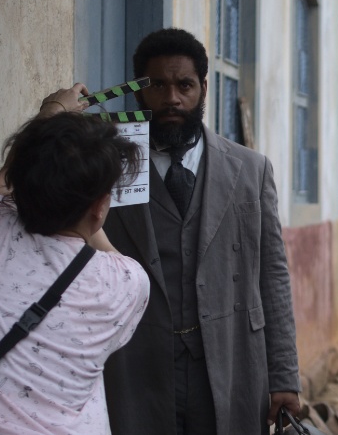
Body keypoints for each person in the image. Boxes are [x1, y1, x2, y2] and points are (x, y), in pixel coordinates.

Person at [100, 28, 301, 435]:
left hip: (230, 363)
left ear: (203, 88)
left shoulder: (250, 170)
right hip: (135, 366)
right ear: (138, 92)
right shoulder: (107, 168)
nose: (172, 98)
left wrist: (284, 376)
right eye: (158, 85)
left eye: (184, 85)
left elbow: (273, 277)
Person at [0, 85, 151, 434]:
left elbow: (2, 182)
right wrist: (84, 204)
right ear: (99, 208)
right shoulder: (125, 282)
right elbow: (95, 239)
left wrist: (51, 111)